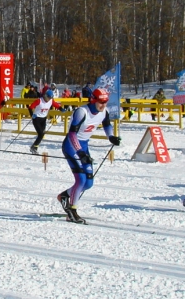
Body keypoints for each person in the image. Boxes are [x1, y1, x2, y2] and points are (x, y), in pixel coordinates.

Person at [56, 88, 120, 224]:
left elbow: (107, 124)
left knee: (88, 183)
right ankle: (72, 211)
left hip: (84, 146)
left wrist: (111, 137)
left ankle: (64, 196)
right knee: (81, 180)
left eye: (106, 102)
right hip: (72, 146)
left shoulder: (104, 112)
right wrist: (80, 153)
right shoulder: (82, 112)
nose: (103, 105)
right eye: (101, 102)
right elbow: (72, 134)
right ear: (93, 100)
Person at [29, 89, 62, 154]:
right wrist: (32, 115)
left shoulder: (51, 101)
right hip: (36, 119)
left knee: (42, 134)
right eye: (48, 97)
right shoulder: (39, 101)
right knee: (41, 134)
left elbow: (56, 105)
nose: (49, 99)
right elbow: (30, 107)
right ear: (45, 96)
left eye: (50, 98)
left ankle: (34, 147)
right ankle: (34, 148)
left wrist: (61, 109)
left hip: (43, 119)